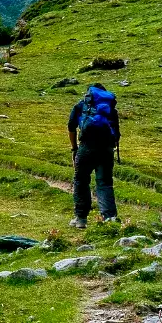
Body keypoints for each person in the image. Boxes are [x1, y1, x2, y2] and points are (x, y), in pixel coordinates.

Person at [67, 83, 119, 228]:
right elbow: (117, 133)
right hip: (106, 149)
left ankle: (81, 219)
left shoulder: (81, 106)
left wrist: (74, 149)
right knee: (105, 183)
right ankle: (109, 219)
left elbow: (71, 127)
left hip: (86, 148)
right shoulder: (110, 109)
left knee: (81, 181)